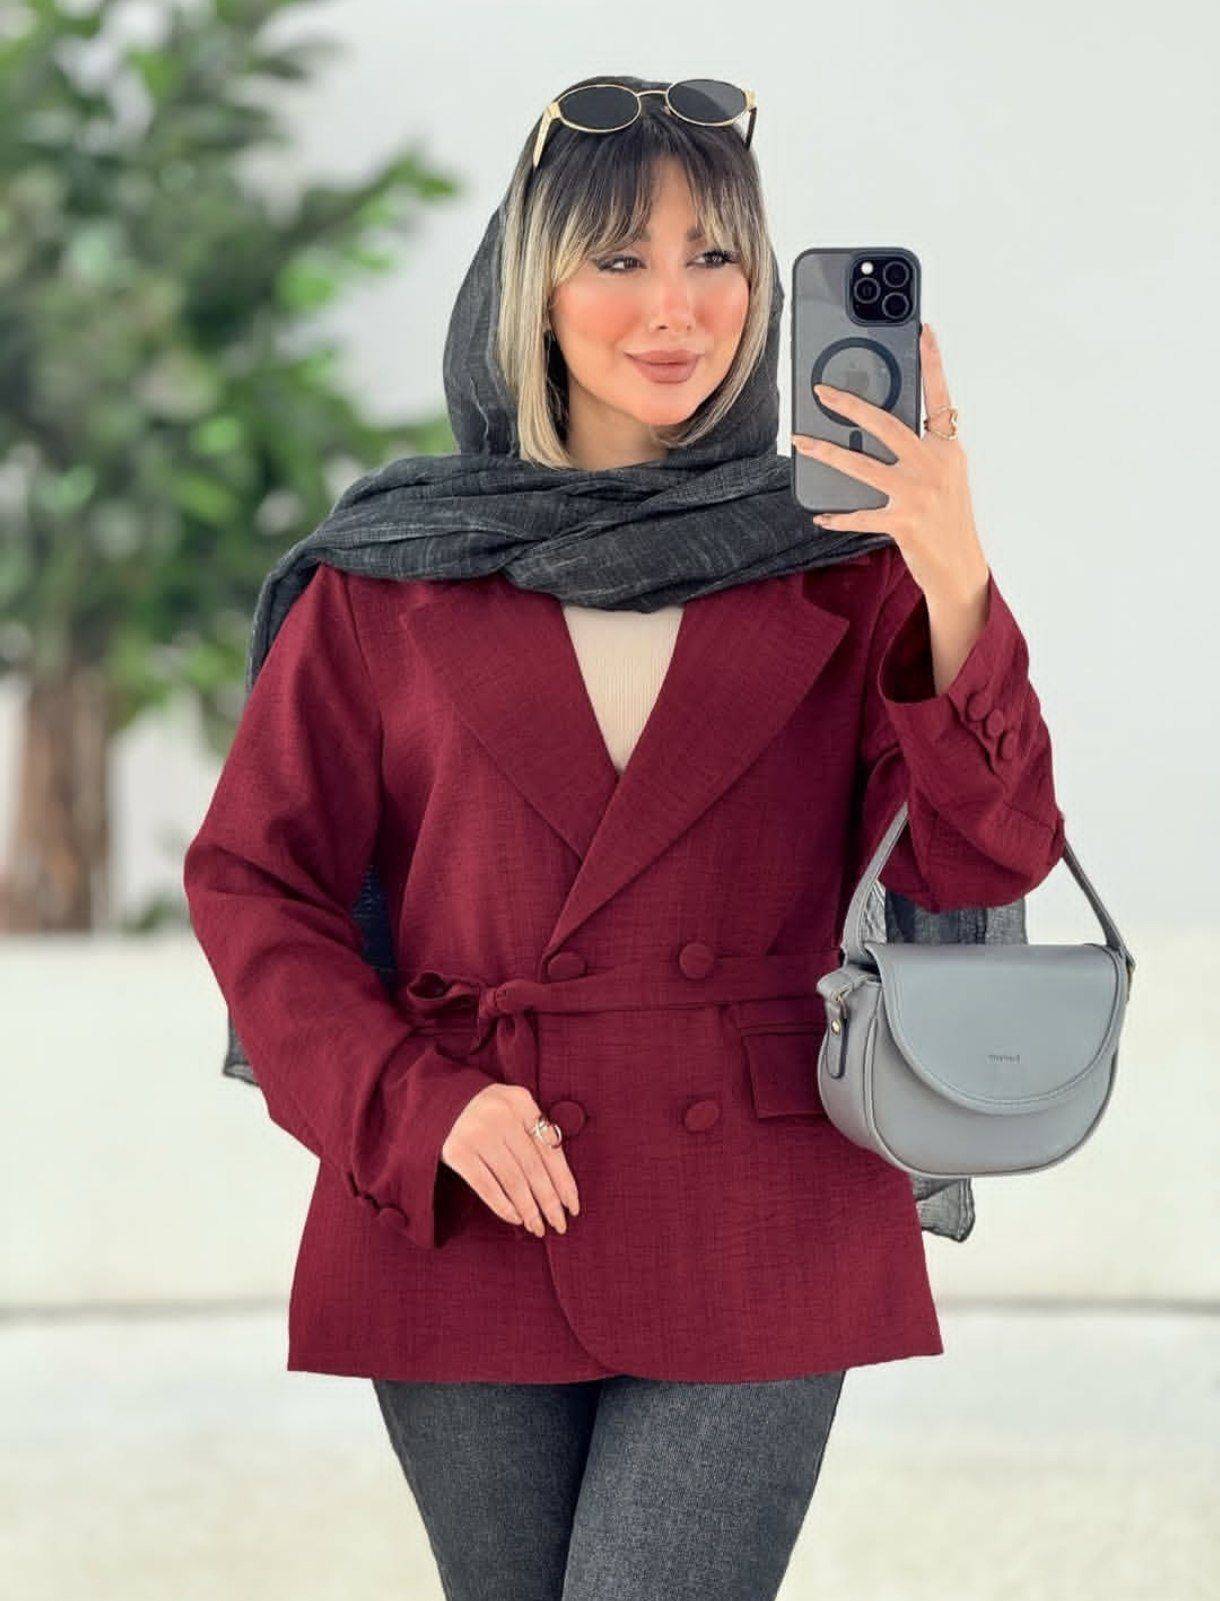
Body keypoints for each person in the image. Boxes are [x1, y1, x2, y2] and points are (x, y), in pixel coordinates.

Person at [183, 74, 1066, 1601]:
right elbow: (256, 885)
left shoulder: (847, 565)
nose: (677, 307)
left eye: (716, 255)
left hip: (763, 1205)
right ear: (535, 287)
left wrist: (955, 580)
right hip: (469, 1197)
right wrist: (416, 1104)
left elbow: (984, 859)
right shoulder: (391, 572)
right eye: (621, 258)